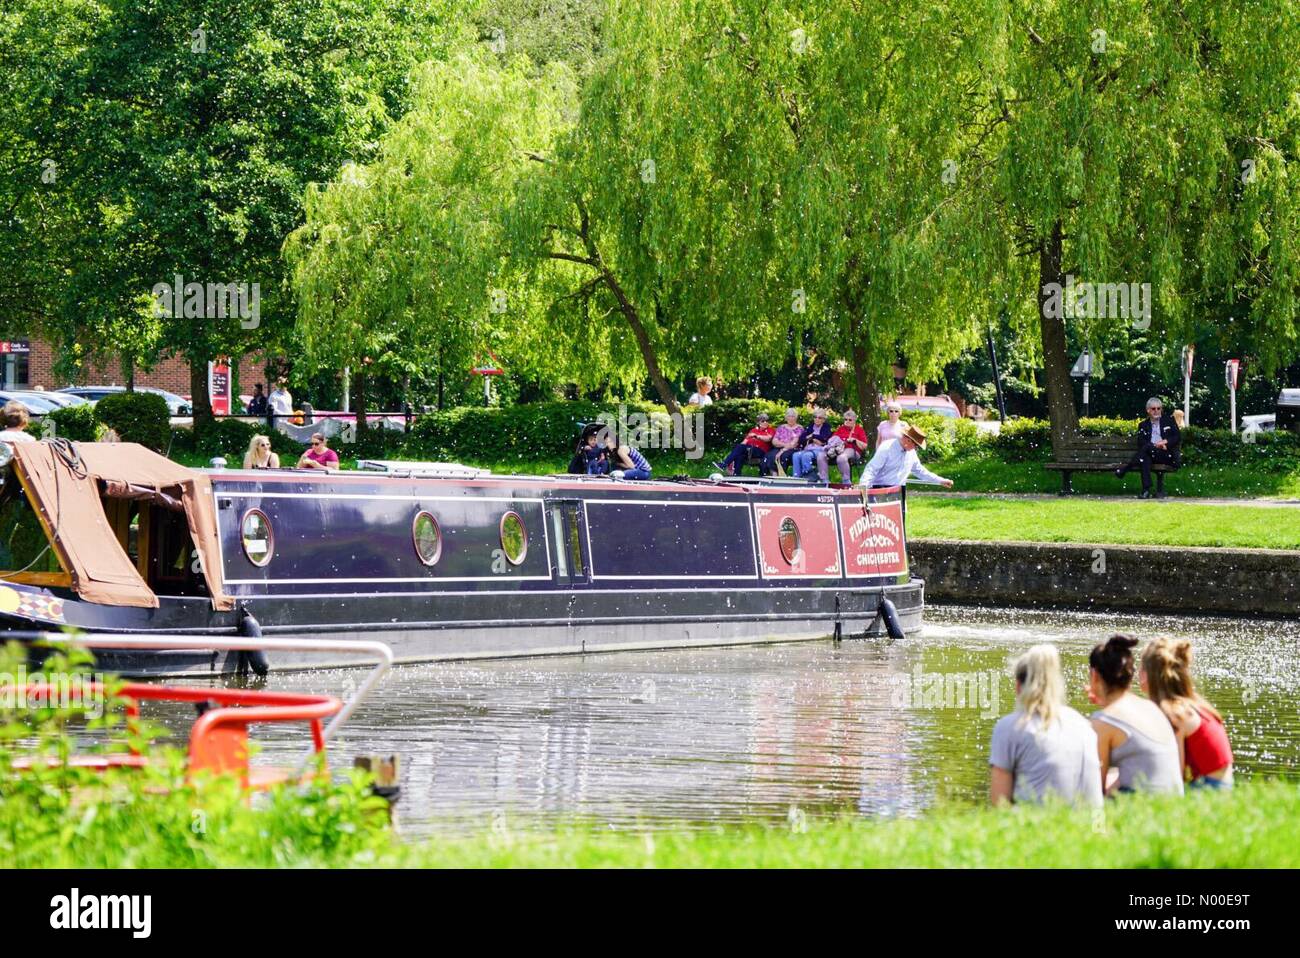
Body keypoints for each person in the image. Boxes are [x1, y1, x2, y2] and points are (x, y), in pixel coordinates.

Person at [989, 644, 1103, 807]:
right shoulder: (1083, 725)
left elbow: (1000, 804)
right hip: (1085, 828)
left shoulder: (1010, 727)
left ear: (1018, 687)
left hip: (1033, 827)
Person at [1086, 635, 1184, 796]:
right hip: (1173, 808)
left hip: (1144, 811)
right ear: (1130, 676)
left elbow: (1095, 790)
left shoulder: (1103, 722)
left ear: (1094, 675)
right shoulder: (1152, 708)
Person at [1140, 637, 1234, 790]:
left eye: (1140, 667)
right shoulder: (1193, 704)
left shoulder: (1173, 713)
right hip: (1220, 786)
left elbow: (1173, 775)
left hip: (1208, 791)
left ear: (1146, 674)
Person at [1116, 397, 1180, 499]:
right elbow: (1141, 442)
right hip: (1150, 452)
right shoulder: (1143, 425)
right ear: (1148, 410)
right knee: (1145, 458)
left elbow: (1177, 436)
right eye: (1153, 409)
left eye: (1159, 408)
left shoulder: (1169, 420)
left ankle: (1126, 468)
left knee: (1146, 450)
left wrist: (1165, 442)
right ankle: (1146, 490)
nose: (1156, 411)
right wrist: (1154, 445)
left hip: (1165, 454)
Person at [858, 423, 953, 490]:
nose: (916, 448)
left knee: (900, 519)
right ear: (908, 440)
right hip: (879, 490)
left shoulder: (911, 453)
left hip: (898, 491)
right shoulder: (886, 447)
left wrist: (941, 481)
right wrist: (863, 488)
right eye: (916, 445)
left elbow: (920, 471)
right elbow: (871, 469)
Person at [792, 408, 833, 481]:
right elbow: (801, 439)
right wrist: (811, 438)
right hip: (808, 448)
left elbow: (824, 438)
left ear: (823, 420)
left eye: (819, 418)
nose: (817, 419)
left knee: (806, 456)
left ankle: (808, 477)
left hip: (820, 449)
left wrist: (812, 437)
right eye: (815, 417)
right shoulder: (810, 426)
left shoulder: (826, 427)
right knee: (795, 455)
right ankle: (796, 478)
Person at [829, 409, 869, 483]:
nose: (847, 421)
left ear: (854, 421)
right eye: (845, 419)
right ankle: (824, 480)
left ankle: (846, 481)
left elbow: (865, 446)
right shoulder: (841, 429)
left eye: (850, 420)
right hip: (839, 449)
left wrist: (855, 440)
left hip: (853, 450)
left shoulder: (859, 430)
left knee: (841, 458)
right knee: (822, 456)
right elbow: (832, 440)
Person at [763, 408, 805, 476]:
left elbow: (793, 444)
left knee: (783, 456)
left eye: (793, 416)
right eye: (789, 416)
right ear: (786, 417)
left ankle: (781, 476)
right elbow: (774, 441)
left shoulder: (799, 428)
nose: (791, 418)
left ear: (796, 418)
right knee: (770, 455)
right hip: (780, 448)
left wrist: (782, 451)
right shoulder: (781, 427)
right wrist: (784, 445)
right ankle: (772, 475)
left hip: (792, 449)